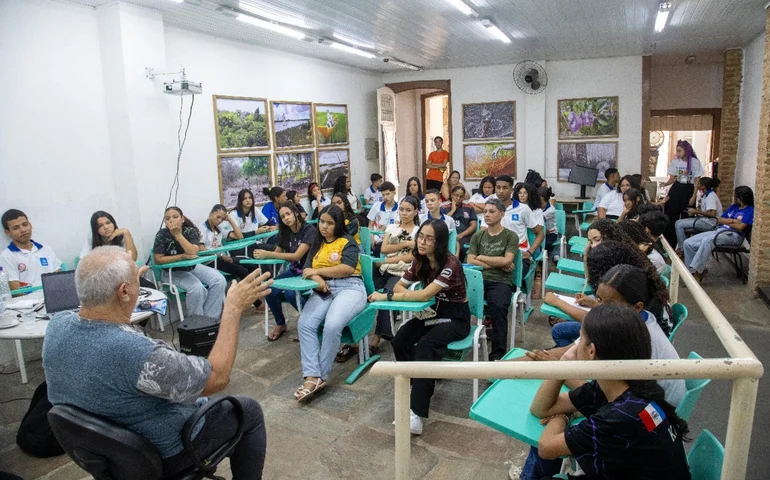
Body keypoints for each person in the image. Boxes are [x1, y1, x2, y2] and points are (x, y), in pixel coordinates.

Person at [43, 246, 272, 479]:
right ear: (123, 291)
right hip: (164, 452)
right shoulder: (137, 353)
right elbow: (217, 377)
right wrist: (232, 309)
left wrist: (127, 295)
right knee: (249, 410)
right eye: (136, 282)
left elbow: (105, 326)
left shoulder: (56, 326)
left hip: (106, 452)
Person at [525, 303, 690, 480]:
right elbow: (540, 408)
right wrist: (563, 366)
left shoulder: (621, 415)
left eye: (580, 338)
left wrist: (562, 416)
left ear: (591, 351)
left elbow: (546, 448)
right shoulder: (624, 386)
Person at [369, 219, 470, 435]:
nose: (422, 242)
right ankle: (416, 382)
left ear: (439, 242)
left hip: (456, 319)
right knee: (400, 339)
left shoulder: (451, 264)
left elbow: (423, 295)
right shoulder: (420, 260)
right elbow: (400, 286)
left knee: (425, 345)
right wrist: (407, 295)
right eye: (420, 236)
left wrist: (388, 296)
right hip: (432, 313)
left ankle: (416, 413)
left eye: (429, 238)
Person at [295, 206, 367, 402]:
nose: (324, 226)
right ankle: (312, 375)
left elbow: (347, 268)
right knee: (305, 324)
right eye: (321, 222)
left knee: (332, 325)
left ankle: (321, 376)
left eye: (329, 223)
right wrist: (317, 279)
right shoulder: (317, 243)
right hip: (324, 288)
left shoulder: (347, 241)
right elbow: (307, 269)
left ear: (338, 224)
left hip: (350, 287)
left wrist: (318, 273)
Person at [544, 241, 675, 347]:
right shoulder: (636, 283)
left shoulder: (632, 327)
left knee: (560, 331)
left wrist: (557, 302)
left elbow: (597, 320)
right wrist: (594, 302)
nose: (592, 245)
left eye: (596, 239)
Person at [366, 196, 421, 355]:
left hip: (402, 271)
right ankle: (359, 336)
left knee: (387, 295)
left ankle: (376, 338)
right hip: (384, 268)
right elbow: (384, 249)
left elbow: (412, 256)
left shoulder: (418, 231)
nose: (404, 213)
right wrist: (405, 244)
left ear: (416, 212)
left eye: (408, 210)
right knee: (365, 290)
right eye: (401, 209)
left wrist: (388, 260)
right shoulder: (391, 227)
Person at [257, 201, 318, 341]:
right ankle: (281, 324)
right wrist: (261, 253)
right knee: (268, 288)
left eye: (288, 214)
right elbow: (278, 251)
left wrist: (268, 254)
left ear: (295, 212)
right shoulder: (286, 232)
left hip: (309, 272)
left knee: (291, 293)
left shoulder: (309, 230)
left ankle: (310, 324)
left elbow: (296, 256)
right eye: (283, 217)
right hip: (294, 271)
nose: (286, 218)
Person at [467, 198, 518, 361]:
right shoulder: (478, 236)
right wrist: (498, 263)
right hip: (478, 279)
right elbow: (470, 260)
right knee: (456, 301)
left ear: (502, 214)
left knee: (499, 307)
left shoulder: (510, 236)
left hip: (500, 281)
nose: (487, 215)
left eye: (491, 212)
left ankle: (497, 355)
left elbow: (507, 260)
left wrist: (481, 257)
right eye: (485, 212)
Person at [153, 207, 226, 318]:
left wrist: (178, 235)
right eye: (167, 219)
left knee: (219, 280)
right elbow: (158, 259)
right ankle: (196, 322)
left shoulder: (190, 231)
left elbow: (193, 252)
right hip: (171, 272)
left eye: (175, 217)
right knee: (197, 288)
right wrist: (181, 256)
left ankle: (210, 319)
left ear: (182, 219)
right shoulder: (161, 234)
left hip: (192, 267)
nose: (171, 220)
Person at [684, 185, 754, 283]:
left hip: (734, 236)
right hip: (719, 231)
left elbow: (740, 227)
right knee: (688, 242)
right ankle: (692, 271)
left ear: (741, 198)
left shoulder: (750, 210)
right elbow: (719, 219)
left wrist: (727, 222)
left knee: (707, 241)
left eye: (735, 196)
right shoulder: (733, 207)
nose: (734, 198)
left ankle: (698, 272)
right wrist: (733, 221)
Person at [0, 209, 62, 290]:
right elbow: (16, 291)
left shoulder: (46, 250)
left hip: (52, 295)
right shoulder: (6, 256)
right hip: (27, 298)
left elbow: (59, 278)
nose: (23, 230)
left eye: (25, 225)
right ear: (8, 232)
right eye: (16, 228)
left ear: (30, 225)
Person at [661, 140, 704, 247]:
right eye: (677, 151)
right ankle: (670, 244)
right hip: (676, 188)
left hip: (689, 189)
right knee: (670, 215)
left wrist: (694, 196)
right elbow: (672, 179)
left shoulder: (695, 162)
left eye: (679, 151)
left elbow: (697, 181)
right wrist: (665, 184)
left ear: (686, 150)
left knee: (687, 215)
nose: (677, 153)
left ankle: (685, 245)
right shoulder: (675, 162)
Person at [674, 176, 723, 253]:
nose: (697, 185)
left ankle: (683, 250)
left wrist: (696, 211)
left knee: (679, 225)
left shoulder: (711, 196)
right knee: (678, 222)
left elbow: (712, 213)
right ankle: (683, 247)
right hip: (704, 220)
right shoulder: (705, 195)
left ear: (703, 186)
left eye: (699, 183)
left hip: (710, 223)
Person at [504, 182, 543, 274]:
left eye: (525, 193)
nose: (522, 195)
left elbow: (538, 231)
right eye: (520, 193)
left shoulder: (536, 210)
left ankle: (538, 271)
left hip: (526, 244)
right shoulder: (506, 209)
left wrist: (530, 251)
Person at [445, 185, 477, 259]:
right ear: (452, 195)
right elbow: (443, 222)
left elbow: (473, 226)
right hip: (448, 235)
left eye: (461, 196)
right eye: (456, 195)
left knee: (462, 248)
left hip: (464, 236)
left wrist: (461, 235)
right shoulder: (444, 208)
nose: (458, 198)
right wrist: (453, 210)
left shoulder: (469, 208)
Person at [367, 181, 400, 254]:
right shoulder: (377, 206)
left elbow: (397, 227)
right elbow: (370, 225)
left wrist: (386, 228)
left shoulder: (399, 209)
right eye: (383, 195)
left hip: (391, 239)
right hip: (377, 237)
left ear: (394, 193)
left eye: (388, 194)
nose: (385, 197)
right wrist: (372, 237)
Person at [537, 186, 559, 262]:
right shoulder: (537, 207)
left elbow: (539, 220)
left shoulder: (551, 210)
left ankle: (554, 253)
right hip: (540, 232)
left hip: (551, 234)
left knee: (540, 243)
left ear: (543, 198)